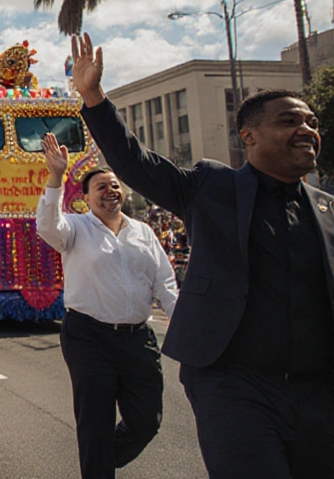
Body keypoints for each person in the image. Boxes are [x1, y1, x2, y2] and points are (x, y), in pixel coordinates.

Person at [71, 33, 334, 478]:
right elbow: (136, 163)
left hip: (319, 394)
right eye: (290, 121)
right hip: (235, 387)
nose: (307, 130)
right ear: (248, 136)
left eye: (311, 122)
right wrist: (94, 97)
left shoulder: (328, 211)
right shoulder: (212, 189)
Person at [35, 136, 178, 478]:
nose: (109, 191)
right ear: (86, 198)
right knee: (95, 424)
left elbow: (166, 284)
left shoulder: (143, 232)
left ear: (124, 193)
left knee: (147, 421)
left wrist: (190, 331)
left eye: (114, 185)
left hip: (138, 339)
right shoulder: (75, 228)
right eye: (100, 187)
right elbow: (47, 226)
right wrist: (56, 176)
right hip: (89, 337)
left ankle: (98, 461)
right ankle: (97, 464)